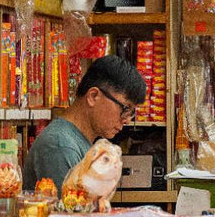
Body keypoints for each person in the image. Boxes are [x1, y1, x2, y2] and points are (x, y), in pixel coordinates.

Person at [23, 55, 146, 193]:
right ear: (93, 96)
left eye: (131, 112)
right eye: (125, 109)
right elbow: (71, 212)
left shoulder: (78, 142)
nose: (127, 119)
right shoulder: (60, 146)